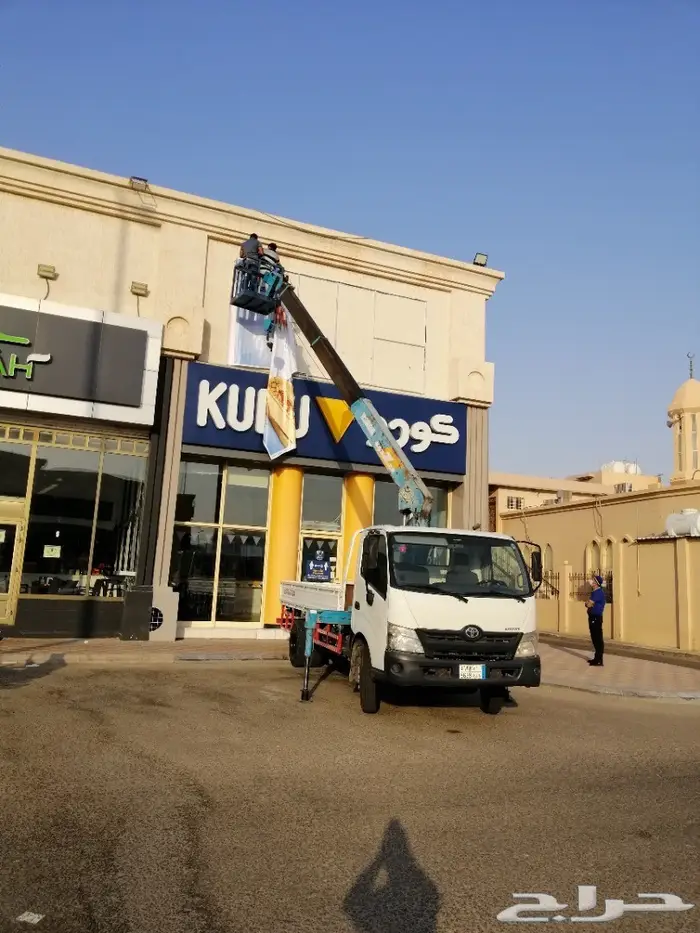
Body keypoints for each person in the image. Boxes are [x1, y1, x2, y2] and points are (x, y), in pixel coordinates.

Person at [585, 574, 606, 666]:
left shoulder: (598, 592)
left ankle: (598, 659)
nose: (591, 582)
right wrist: (588, 603)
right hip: (593, 617)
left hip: (596, 618)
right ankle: (597, 658)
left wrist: (588, 603)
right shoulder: (595, 592)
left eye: (593, 581)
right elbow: (589, 603)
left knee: (597, 638)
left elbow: (589, 604)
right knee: (595, 638)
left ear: (596, 583)